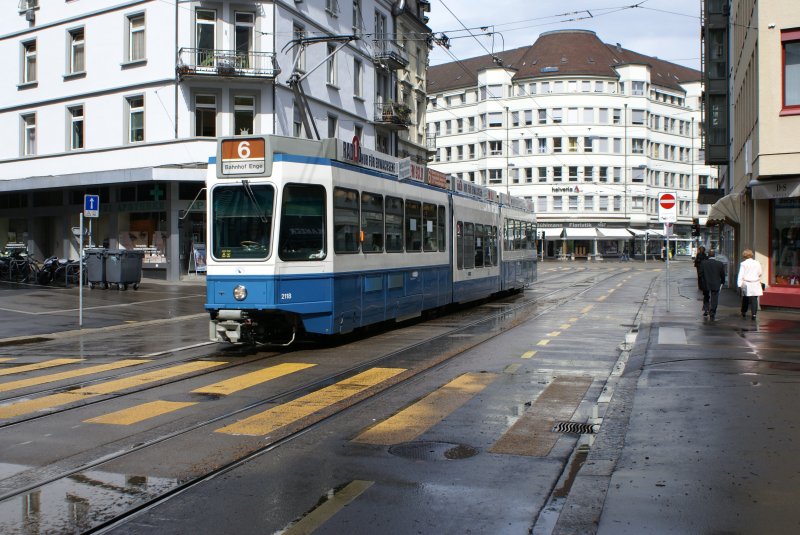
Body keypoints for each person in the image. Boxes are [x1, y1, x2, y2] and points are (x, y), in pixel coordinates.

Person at [737, 249, 763, 320]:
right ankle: (754, 314)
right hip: (755, 282)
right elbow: (760, 272)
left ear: (744, 255)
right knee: (754, 299)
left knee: (745, 297)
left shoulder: (743, 264)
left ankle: (744, 311)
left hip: (747, 283)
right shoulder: (757, 263)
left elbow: (741, 274)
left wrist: (739, 285)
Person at [700, 250, 726, 321]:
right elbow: (722, 274)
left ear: (708, 255)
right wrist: (723, 281)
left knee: (706, 296)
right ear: (715, 255)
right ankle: (712, 312)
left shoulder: (703, 263)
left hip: (706, 283)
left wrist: (701, 283)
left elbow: (700, 274)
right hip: (716, 283)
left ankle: (706, 310)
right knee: (714, 297)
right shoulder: (719, 264)